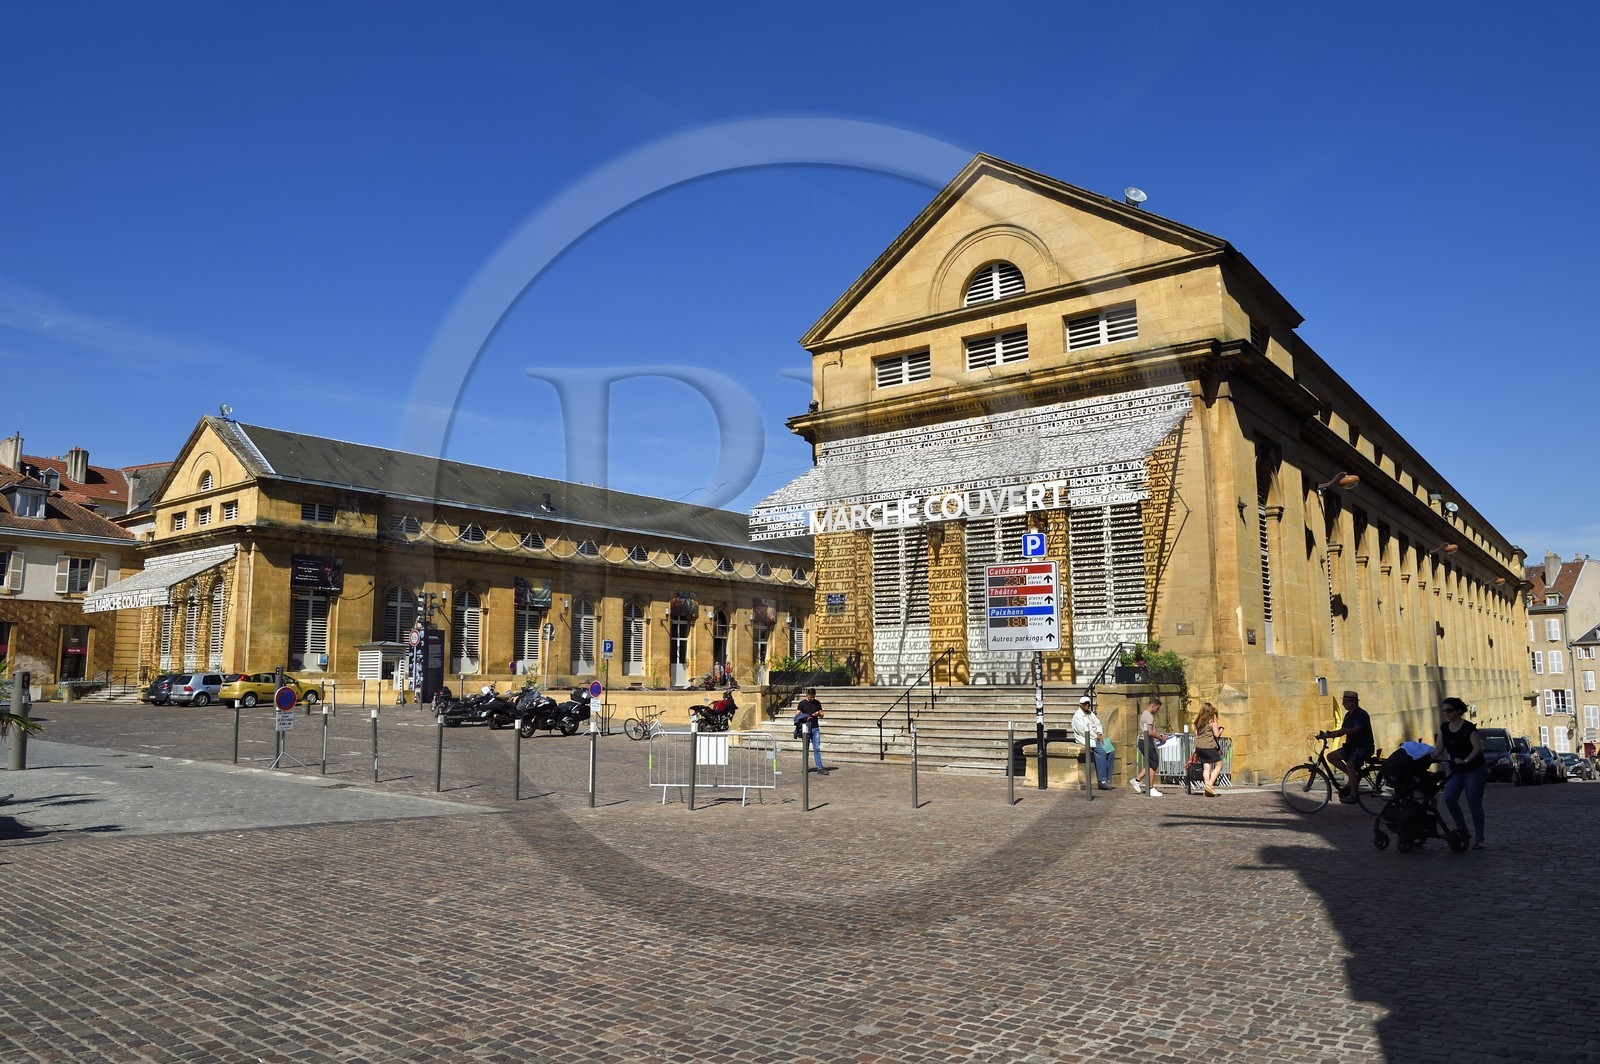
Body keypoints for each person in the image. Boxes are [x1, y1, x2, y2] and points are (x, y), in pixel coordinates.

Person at [1434, 696, 1487, 849]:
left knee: (1474, 802)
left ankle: (1479, 838)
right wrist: (1424, 757)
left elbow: (1477, 748)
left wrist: (1466, 760)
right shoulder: (1444, 728)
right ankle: (1463, 831)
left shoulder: (1468, 728)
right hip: (1456, 770)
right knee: (1449, 798)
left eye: (1449, 710)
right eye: (1444, 711)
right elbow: (1438, 749)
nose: (1446, 713)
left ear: (1458, 711)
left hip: (1474, 769)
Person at [1318, 689, 1375, 804]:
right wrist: (1328, 735)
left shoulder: (1361, 715)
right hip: (1351, 747)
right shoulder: (1348, 715)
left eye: (1345, 701)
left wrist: (1343, 731)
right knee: (1331, 757)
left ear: (1353, 702)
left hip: (1362, 747)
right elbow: (1341, 731)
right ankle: (1352, 777)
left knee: (1350, 765)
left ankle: (1353, 794)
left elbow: (1356, 729)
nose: (1343, 704)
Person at [1071, 695, 1112, 789]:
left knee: (1110, 750)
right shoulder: (1078, 716)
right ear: (1080, 705)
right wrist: (1096, 736)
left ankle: (1108, 778)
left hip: (1097, 737)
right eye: (1085, 703)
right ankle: (1102, 780)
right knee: (1101, 752)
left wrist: (1100, 732)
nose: (1087, 705)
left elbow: (1098, 723)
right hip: (1087, 738)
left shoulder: (1091, 713)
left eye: (1088, 703)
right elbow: (1083, 731)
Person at [1130, 699, 1167, 797]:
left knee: (1151, 763)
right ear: (1153, 706)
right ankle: (1150, 788)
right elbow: (1150, 732)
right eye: (1157, 708)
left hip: (1144, 741)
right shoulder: (1149, 716)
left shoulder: (1144, 714)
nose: (1157, 711)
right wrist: (1160, 738)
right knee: (1154, 762)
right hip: (1145, 741)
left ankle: (1137, 780)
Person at [1192, 702, 1225, 798]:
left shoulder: (1198, 721)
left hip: (1199, 747)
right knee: (1219, 765)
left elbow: (1196, 735)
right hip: (1208, 746)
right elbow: (1216, 735)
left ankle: (1208, 791)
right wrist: (1221, 730)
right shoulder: (1212, 720)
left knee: (1206, 767)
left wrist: (1195, 748)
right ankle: (1209, 785)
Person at [793, 687, 827, 772]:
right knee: (805, 749)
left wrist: (818, 714)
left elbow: (822, 715)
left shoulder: (817, 703)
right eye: (810, 697)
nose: (812, 698)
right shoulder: (802, 703)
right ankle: (805, 767)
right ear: (807, 695)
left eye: (813, 697)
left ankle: (819, 767)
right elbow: (797, 716)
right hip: (806, 728)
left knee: (817, 748)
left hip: (815, 728)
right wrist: (804, 718)